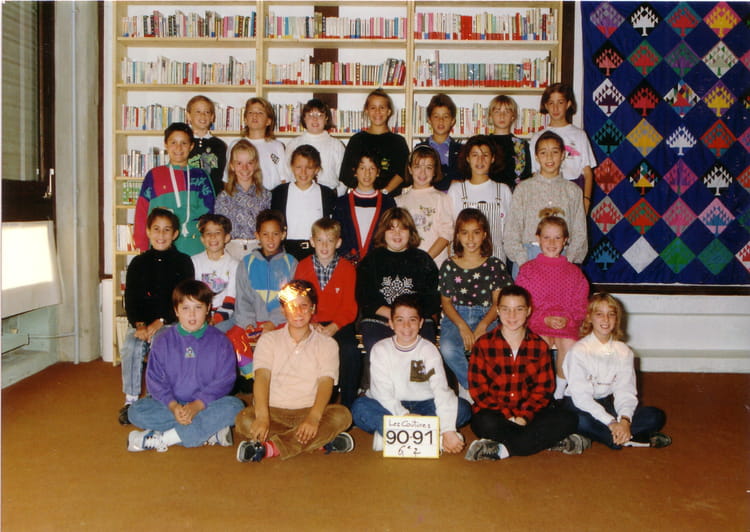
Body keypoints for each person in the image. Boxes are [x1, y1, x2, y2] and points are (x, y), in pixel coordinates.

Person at [235, 280, 354, 462]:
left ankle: (271, 448)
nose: (298, 312)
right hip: (274, 411)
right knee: (244, 419)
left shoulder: (327, 344)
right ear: (283, 310)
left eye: (304, 306)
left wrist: (313, 418)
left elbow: (326, 382)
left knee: (342, 416)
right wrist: (263, 416)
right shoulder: (268, 340)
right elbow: (262, 378)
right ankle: (320, 441)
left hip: (310, 410)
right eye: (291, 306)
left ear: (313, 308)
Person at [464, 285, 584, 461]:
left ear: (528, 311)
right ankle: (542, 440)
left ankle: (503, 450)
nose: (512, 316)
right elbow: (479, 391)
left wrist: (525, 417)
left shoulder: (539, 345)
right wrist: (509, 416)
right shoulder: (483, 344)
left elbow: (543, 390)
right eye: (506, 309)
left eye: (519, 309)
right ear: (497, 310)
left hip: (531, 412)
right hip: (496, 413)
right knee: (483, 422)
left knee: (568, 418)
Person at [126, 280, 244, 452]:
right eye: (186, 308)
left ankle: (164, 439)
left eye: (198, 307)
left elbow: (225, 381)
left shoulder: (221, 341)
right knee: (135, 411)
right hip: (173, 405)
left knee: (236, 407)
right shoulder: (163, 340)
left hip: (206, 405)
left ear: (208, 308)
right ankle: (209, 433)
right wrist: (173, 406)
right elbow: (155, 381)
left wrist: (197, 405)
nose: (192, 314)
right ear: (176, 311)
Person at [352, 294, 471, 453]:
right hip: (390, 405)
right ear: (391, 323)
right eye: (400, 320)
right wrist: (404, 416)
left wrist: (448, 428)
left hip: (425, 404)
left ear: (420, 323)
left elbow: (440, 389)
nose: (406, 326)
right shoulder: (380, 349)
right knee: (359, 408)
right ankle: (434, 438)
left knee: (463, 408)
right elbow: (382, 393)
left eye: (412, 320)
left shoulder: (428, 349)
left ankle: (391, 435)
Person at [562, 293, 672, 449]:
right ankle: (627, 439)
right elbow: (581, 398)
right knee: (578, 421)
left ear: (617, 318)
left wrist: (625, 421)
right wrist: (612, 422)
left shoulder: (623, 351)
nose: (606, 320)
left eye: (611, 314)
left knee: (655, 416)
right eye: (599, 314)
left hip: (606, 402)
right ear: (589, 318)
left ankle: (614, 436)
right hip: (579, 404)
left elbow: (625, 390)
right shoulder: (578, 351)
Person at [119, 208, 194, 425]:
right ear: (148, 232)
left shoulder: (183, 262)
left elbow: (183, 300)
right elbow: (131, 299)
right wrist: (140, 325)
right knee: (131, 345)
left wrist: (161, 321)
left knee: (160, 344)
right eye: (156, 229)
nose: (161, 235)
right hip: (142, 323)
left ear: (175, 234)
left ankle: (156, 398)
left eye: (167, 230)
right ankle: (131, 400)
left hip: (169, 322)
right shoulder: (138, 263)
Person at [439, 209, 512, 394]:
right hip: (456, 317)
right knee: (448, 348)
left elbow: (498, 303)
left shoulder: (495, 265)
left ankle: (494, 388)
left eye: (476, 232)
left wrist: (483, 326)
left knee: (494, 349)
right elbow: (446, 303)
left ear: (484, 234)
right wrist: (462, 327)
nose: (470, 239)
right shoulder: (449, 265)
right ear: (457, 235)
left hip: (487, 316)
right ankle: (476, 388)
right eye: (465, 232)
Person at [516, 216, 589, 398]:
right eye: (547, 237)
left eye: (557, 238)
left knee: (570, 345)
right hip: (537, 321)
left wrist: (567, 320)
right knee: (539, 345)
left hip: (567, 322)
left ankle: (559, 391)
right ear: (538, 239)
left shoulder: (574, 272)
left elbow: (581, 304)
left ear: (565, 240)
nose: (552, 243)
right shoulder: (528, 270)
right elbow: (522, 304)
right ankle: (540, 388)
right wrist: (544, 319)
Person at [356, 208, 440, 360]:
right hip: (380, 319)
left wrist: (407, 318)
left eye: (402, 229)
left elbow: (431, 299)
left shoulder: (423, 260)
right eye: (391, 229)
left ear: (411, 232)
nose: (397, 234)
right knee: (378, 348)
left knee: (424, 350)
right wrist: (394, 316)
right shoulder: (371, 260)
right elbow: (365, 298)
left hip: (414, 319)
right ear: (383, 232)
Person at [294, 218, 360, 409]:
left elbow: (350, 307)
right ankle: (307, 403)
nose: (324, 246)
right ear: (312, 242)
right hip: (310, 322)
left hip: (339, 324)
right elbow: (299, 301)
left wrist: (334, 326)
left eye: (330, 241)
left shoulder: (347, 268)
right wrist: (311, 323)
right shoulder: (303, 266)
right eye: (320, 240)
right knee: (304, 351)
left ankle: (347, 406)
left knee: (350, 351)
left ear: (338, 243)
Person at [503, 130, 587, 273]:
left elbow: (580, 232)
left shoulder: (573, 191)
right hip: (529, 256)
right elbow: (512, 231)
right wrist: (523, 261)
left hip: (562, 258)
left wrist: (568, 261)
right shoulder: (524, 189)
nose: (549, 157)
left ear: (563, 155)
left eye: (555, 152)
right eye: (543, 152)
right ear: (536, 156)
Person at [228, 209, 298, 381]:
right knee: (232, 338)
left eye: (275, 234)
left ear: (283, 235)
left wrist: (273, 323)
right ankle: (253, 377)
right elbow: (242, 299)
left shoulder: (291, 263)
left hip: (280, 322)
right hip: (252, 322)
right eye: (265, 234)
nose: (270, 239)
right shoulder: (246, 263)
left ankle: (279, 378)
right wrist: (248, 323)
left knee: (289, 339)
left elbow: (291, 301)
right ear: (257, 236)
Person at [133, 122, 215, 256]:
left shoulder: (200, 176)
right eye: (173, 142)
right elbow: (142, 212)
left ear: (191, 146)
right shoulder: (154, 175)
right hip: (161, 245)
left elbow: (209, 211)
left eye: (184, 143)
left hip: (194, 246)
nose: (178, 148)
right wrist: (142, 245)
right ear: (165, 144)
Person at [529, 83, 596, 212]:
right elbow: (535, 173)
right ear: (546, 106)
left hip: (574, 191)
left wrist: (586, 199)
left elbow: (587, 173)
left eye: (560, 102)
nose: (555, 108)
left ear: (568, 104)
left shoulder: (579, 135)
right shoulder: (537, 137)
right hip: (547, 191)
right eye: (551, 103)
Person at [447, 135, 512, 262]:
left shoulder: (503, 190)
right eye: (475, 155)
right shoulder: (456, 190)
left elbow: (509, 231)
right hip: (463, 262)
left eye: (485, 155)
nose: (480, 160)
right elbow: (450, 230)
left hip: (495, 260)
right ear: (467, 158)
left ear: (493, 158)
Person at [272, 144, 336, 261]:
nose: (303, 172)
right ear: (292, 167)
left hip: (317, 252)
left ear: (316, 169)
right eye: (298, 167)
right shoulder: (279, 193)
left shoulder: (327, 194)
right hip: (287, 252)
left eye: (309, 168)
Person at [339, 88, 409, 195]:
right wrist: (366, 192)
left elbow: (403, 173)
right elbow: (346, 174)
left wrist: (383, 192)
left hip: (389, 197)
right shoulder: (356, 140)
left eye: (382, 107)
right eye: (373, 108)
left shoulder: (398, 142)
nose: (377, 112)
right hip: (362, 196)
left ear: (389, 111)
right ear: (366, 111)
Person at [333, 151, 397, 264]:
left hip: (378, 263)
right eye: (362, 168)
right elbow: (336, 235)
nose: (367, 173)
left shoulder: (388, 203)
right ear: (355, 172)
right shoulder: (342, 202)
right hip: (348, 263)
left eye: (372, 168)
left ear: (378, 172)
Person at [396, 145, 454, 267]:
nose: (422, 173)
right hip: (407, 265)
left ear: (435, 171)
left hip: (435, 264)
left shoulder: (442, 198)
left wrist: (425, 260)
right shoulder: (398, 201)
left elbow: (446, 234)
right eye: (417, 167)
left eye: (428, 167)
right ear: (410, 169)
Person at [215, 139, 271, 261]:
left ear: (255, 165)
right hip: (231, 249)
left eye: (249, 163)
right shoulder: (223, 197)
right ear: (232, 166)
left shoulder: (266, 195)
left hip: (257, 249)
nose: (244, 168)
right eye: (239, 163)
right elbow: (219, 230)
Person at [225, 97, 291, 191]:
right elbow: (227, 178)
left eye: (260, 112)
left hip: (272, 195)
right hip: (243, 196)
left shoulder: (277, 146)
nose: (255, 115)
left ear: (268, 121)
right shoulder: (235, 144)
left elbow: (284, 178)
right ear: (245, 119)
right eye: (250, 112)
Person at [284, 98, 346, 196]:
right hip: (299, 195)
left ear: (326, 118)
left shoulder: (337, 145)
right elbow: (287, 174)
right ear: (304, 118)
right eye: (310, 115)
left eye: (320, 115)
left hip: (329, 196)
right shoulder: (293, 144)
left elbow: (344, 178)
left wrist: (335, 196)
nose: (315, 119)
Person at [191, 213, 238, 333]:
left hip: (226, 315)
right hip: (199, 314)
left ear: (226, 237)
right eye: (208, 233)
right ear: (202, 239)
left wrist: (214, 320)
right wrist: (203, 318)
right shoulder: (194, 262)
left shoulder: (234, 265)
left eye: (217, 232)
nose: (213, 237)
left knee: (213, 333)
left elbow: (231, 299)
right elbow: (193, 296)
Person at [414, 93, 463, 190]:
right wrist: (449, 182)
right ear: (429, 120)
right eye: (436, 116)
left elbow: (461, 179)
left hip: (452, 197)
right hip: (427, 197)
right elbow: (419, 177)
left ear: (452, 121)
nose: (441, 121)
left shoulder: (460, 149)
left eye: (445, 116)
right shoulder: (420, 148)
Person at [488, 94, 531, 190]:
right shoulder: (483, 143)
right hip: (488, 193)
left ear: (513, 117)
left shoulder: (521, 145)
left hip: (514, 193)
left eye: (507, 112)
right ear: (490, 116)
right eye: (497, 111)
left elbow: (526, 177)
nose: (502, 116)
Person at [186, 94, 227, 195]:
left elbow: (223, 174)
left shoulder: (219, 145)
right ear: (188, 116)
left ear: (212, 117)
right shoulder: (184, 142)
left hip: (213, 195)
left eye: (207, 112)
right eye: (198, 112)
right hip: (188, 195)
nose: (203, 115)